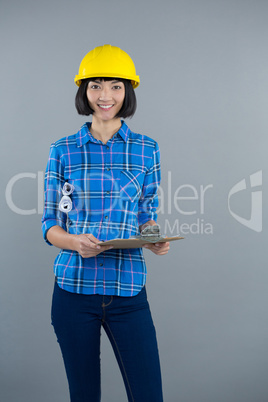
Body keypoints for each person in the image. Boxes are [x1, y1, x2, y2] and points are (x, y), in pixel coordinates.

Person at [41, 44, 170, 402]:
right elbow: (50, 222)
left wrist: (154, 238)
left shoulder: (147, 149)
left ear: (127, 91)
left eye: (115, 85)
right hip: (73, 291)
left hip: (128, 290)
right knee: (84, 396)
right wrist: (73, 242)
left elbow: (146, 212)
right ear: (84, 91)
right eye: (96, 85)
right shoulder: (63, 149)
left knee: (148, 396)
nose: (105, 95)